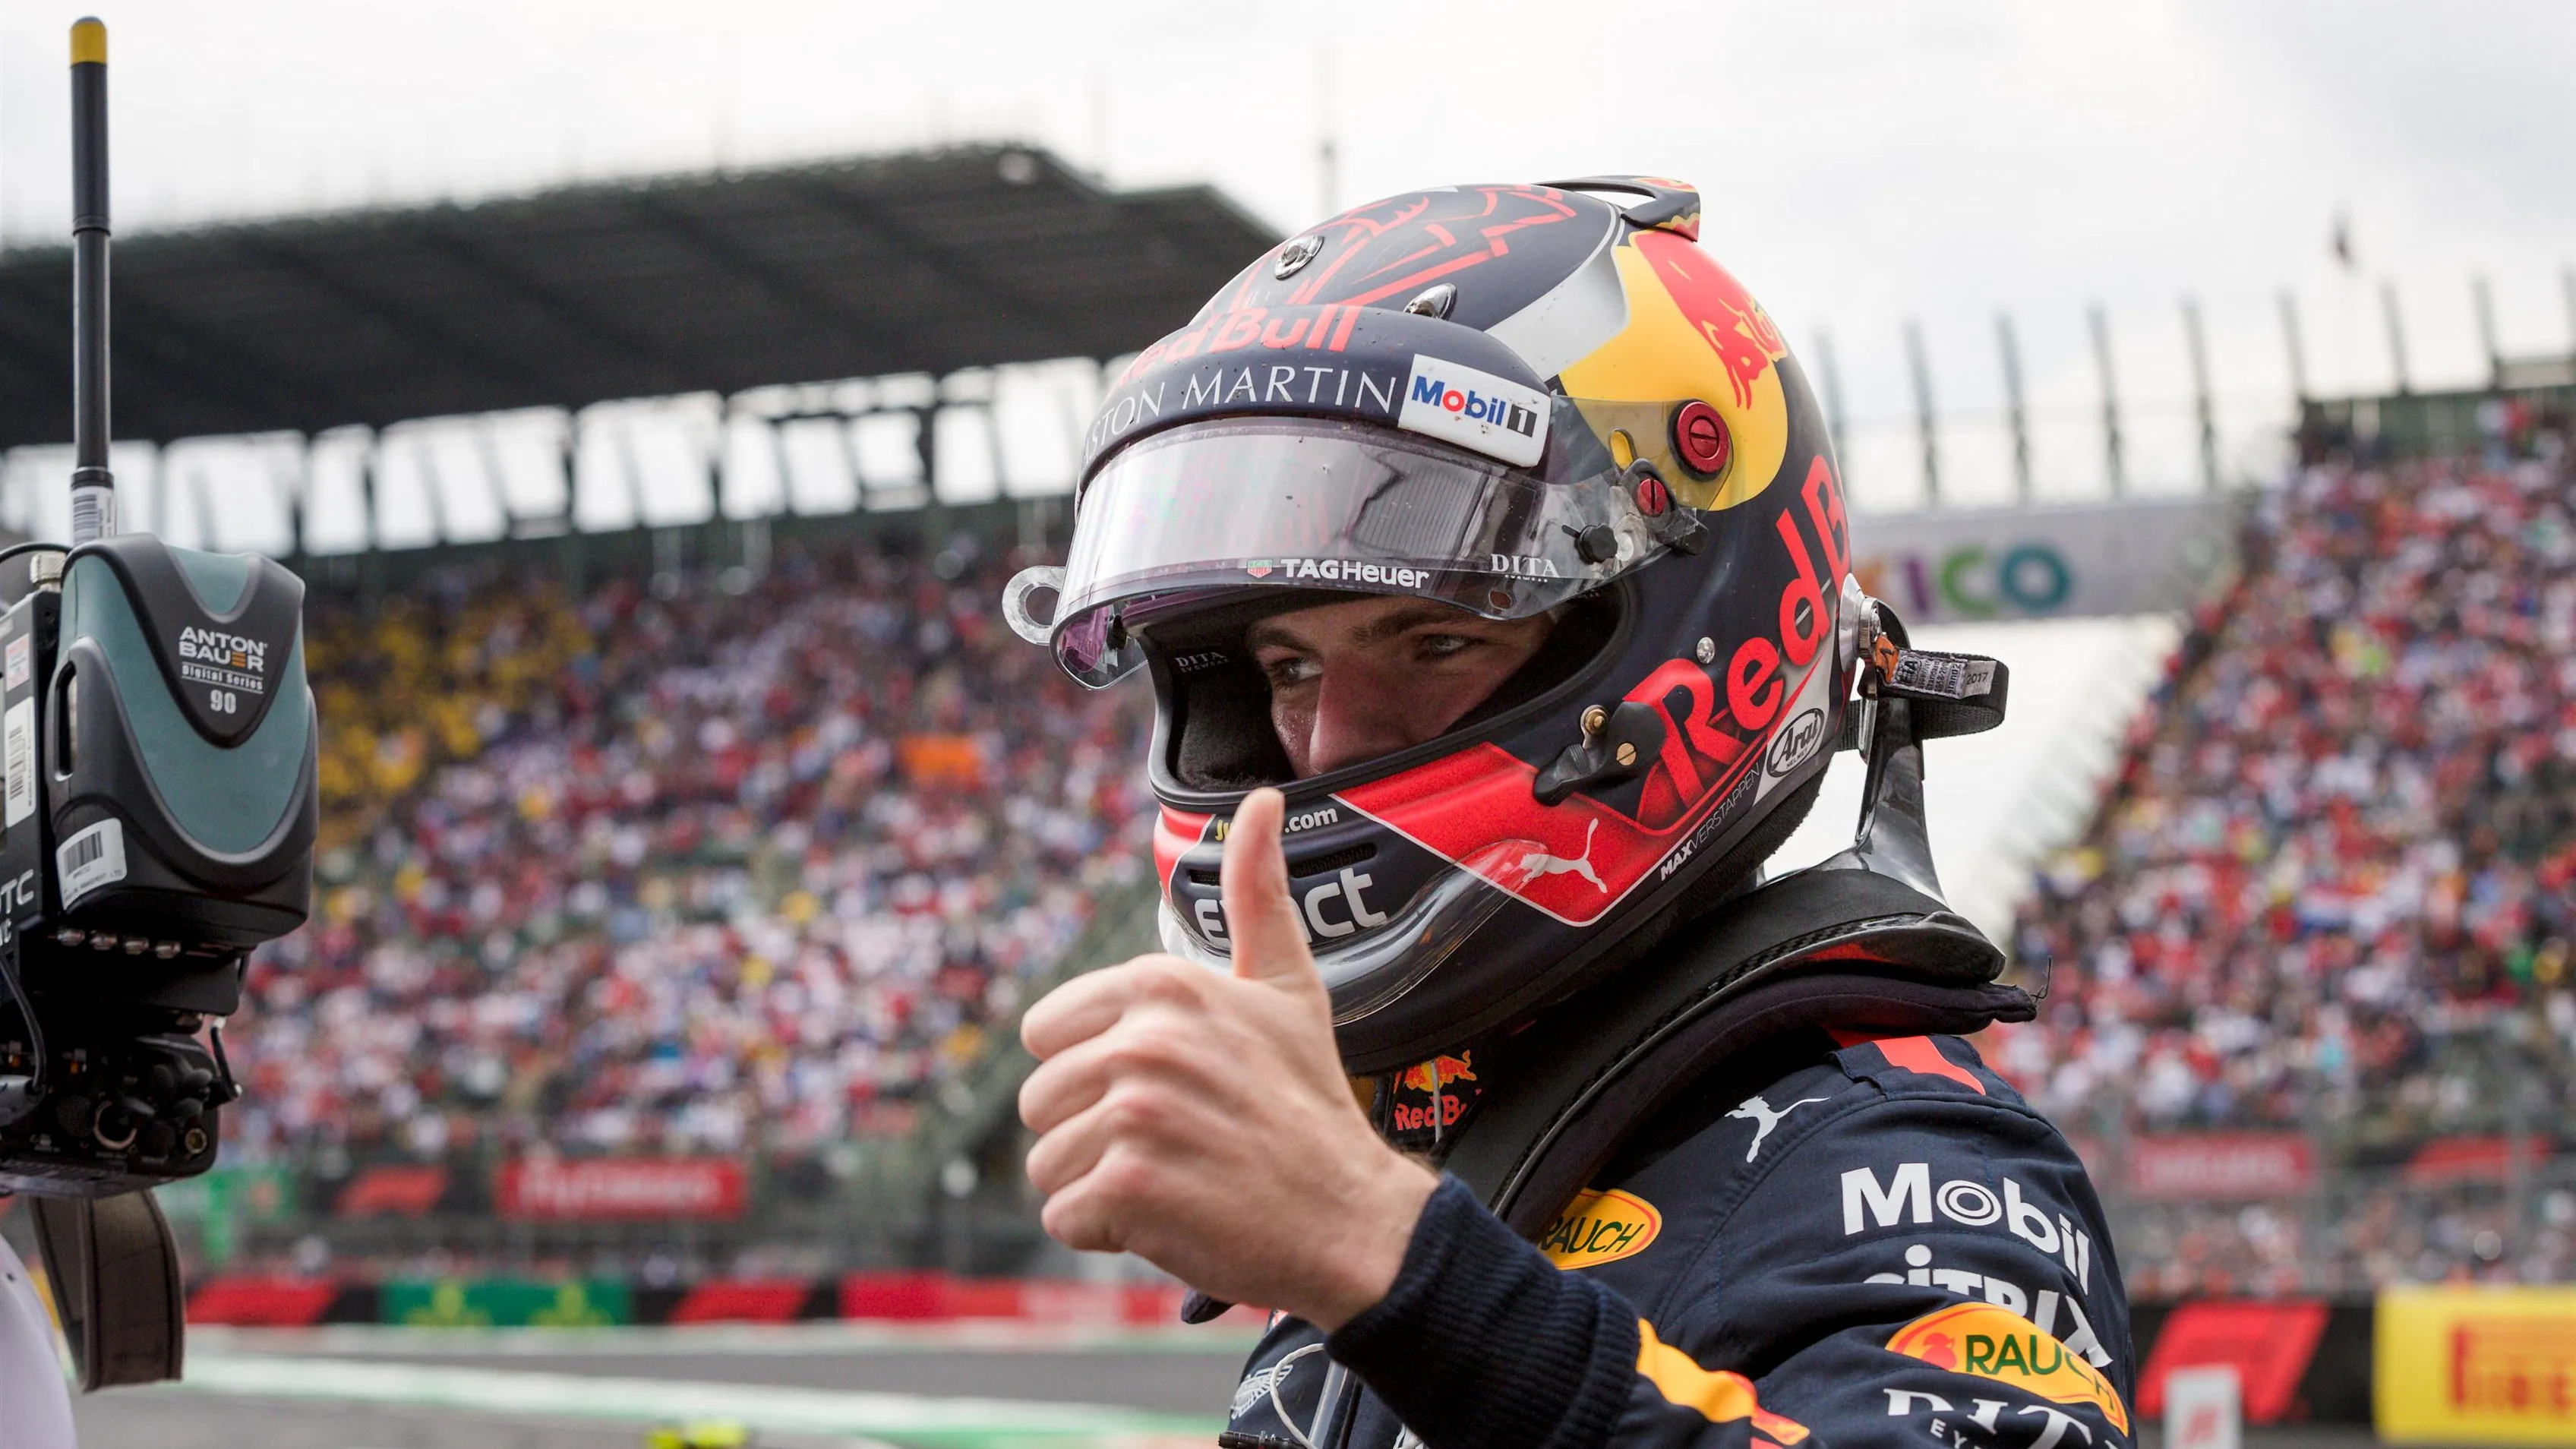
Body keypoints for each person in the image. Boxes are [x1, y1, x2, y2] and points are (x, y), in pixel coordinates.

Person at [1007, 181, 2132, 1449]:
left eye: (1433, 639)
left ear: (1700, 635)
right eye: (1289, 669)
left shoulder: (1905, 1160)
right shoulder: (1445, 1153)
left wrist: (1383, 1255)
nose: (1331, 741)